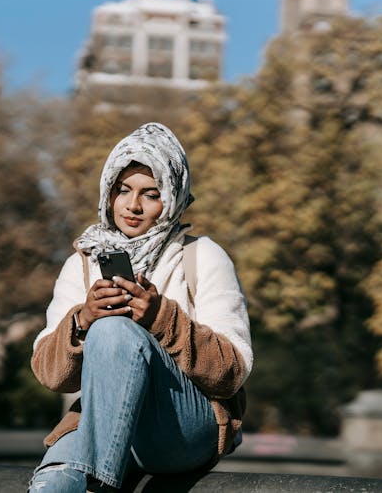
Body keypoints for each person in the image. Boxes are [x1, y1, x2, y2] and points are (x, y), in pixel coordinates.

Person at [28, 122, 252, 492]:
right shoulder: (83, 262)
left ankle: (98, 485)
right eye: (123, 191)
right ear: (109, 193)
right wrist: (83, 319)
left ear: (173, 198)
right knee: (53, 484)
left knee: (116, 330)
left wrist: (159, 318)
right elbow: (52, 376)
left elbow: (231, 373)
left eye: (151, 194)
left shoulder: (202, 256)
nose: (132, 206)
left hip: (182, 427)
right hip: (105, 425)